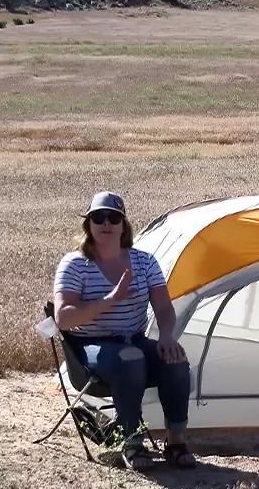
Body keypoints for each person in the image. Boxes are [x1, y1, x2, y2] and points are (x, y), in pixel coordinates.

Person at [52, 190, 196, 470]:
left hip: (135, 341)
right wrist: (110, 300)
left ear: (123, 225)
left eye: (113, 218)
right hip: (91, 347)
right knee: (130, 359)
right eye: (99, 218)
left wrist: (167, 337)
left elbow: (164, 308)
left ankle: (176, 441)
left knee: (176, 360)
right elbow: (63, 318)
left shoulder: (144, 261)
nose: (106, 223)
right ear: (88, 224)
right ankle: (131, 442)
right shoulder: (74, 264)